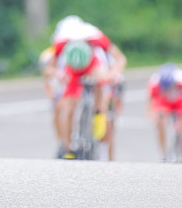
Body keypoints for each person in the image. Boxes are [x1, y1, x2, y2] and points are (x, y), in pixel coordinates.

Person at [45, 15, 127, 160]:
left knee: (101, 100)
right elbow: (48, 69)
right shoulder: (62, 42)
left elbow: (120, 59)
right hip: (73, 69)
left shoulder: (95, 37)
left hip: (95, 64)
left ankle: (99, 128)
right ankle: (68, 146)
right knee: (68, 106)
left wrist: (113, 74)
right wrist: (58, 74)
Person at [147, 63, 182, 162]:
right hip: (164, 102)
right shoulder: (154, 81)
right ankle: (162, 152)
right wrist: (152, 117)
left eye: (170, 88)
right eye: (165, 89)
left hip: (181, 101)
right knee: (160, 122)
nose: (168, 91)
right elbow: (150, 102)